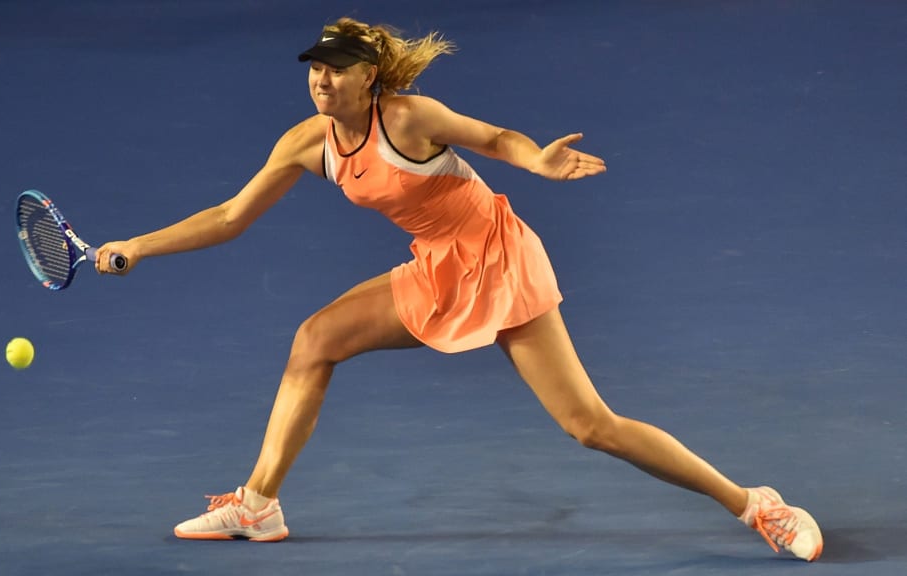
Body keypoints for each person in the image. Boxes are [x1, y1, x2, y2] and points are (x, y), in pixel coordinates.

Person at [94, 17, 823, 561]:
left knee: (590, 425)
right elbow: (230, 215)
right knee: (314, 340)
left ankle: (754, 504)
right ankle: (257, 505)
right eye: (315, 68)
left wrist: (536, 162)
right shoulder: (306, 141)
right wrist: (138, 246)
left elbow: (497, 137)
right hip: (439, 266)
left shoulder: (409, 118)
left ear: (369, 78)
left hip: (499, 259)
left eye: (338, 70)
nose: (322, 80)